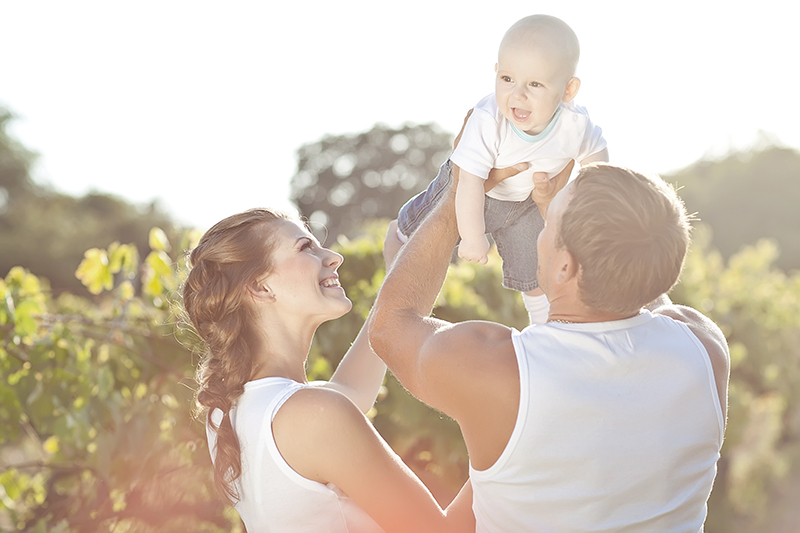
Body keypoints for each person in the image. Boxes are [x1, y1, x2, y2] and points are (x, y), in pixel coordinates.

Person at [370, 161, 730, 532]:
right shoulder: (703, 348)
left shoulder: (501, 370)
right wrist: (568, 222)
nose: (541, 232)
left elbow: (390, 328)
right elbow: (642, 281)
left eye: (549, 224)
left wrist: (457, 198)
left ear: (565, 268)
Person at [180, 208, 471, 532]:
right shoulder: (312, 414)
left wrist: (399, 272)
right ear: (261, 288)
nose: (333, 257)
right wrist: (517, 422)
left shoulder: (229, 411)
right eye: (305, 247)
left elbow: (359, 385)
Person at [396, 14, 608, 324]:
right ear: (496, 72)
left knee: (534, 271)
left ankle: (543, 327)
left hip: (525, 204)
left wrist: (595, 205)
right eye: (507, 79)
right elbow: (467, 183)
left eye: (535, 84)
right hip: (474, 188)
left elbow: (599, 165)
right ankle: (403, 228)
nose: (517, 94)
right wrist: (472, 238)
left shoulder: (575, 126)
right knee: (423, 233)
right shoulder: (487, 120)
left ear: (568, 91)